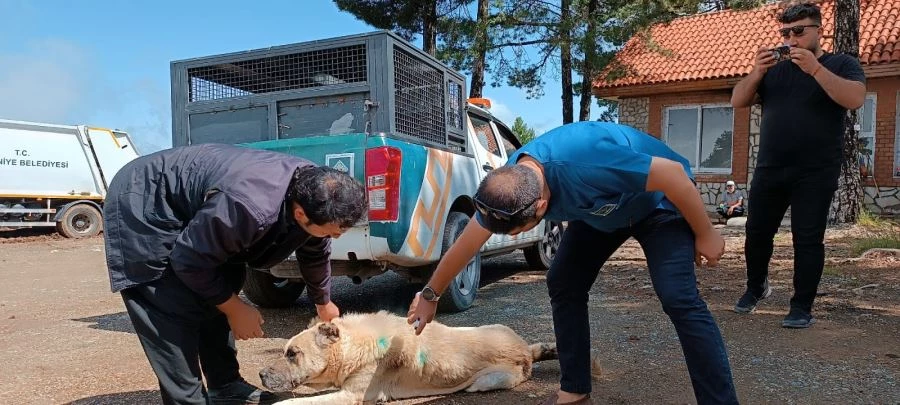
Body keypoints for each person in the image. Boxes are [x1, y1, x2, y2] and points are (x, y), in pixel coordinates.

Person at [406, 121, 738, 405]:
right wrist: (430, 294)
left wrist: (705, 233)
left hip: (659, 204)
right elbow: (468, 242)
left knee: (678, 297)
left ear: (541, 208)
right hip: (601, 213)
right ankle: (574, 390)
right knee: (564, 281)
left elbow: (675, 175)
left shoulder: (590, 163)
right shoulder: (507, 186)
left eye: (519, 231)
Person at [103, 143, 367, 405]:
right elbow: (189, 260)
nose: (334, 237)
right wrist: (235, 308)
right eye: (332, 231)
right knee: (170, 305)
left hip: (209, 210)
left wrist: (323, 301)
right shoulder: (251, 206)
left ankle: (225, 385)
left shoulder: (311, 195)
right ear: (300, 213)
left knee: (223, 283)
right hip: (146, 203)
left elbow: (315, 250)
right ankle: (187, 400)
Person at [730, 2, 865, 328]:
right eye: (786, 33)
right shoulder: (774, 70)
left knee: (807, 238)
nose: (791, 39)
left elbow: (855, 98)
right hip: (771, 167)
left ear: (819, 30)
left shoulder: (841, 63)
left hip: (816, 170)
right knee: (757, 232)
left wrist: (816, 70)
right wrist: (757, 71)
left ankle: (801, 306)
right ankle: (756, 287)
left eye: (799, 31)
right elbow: (737, 100)